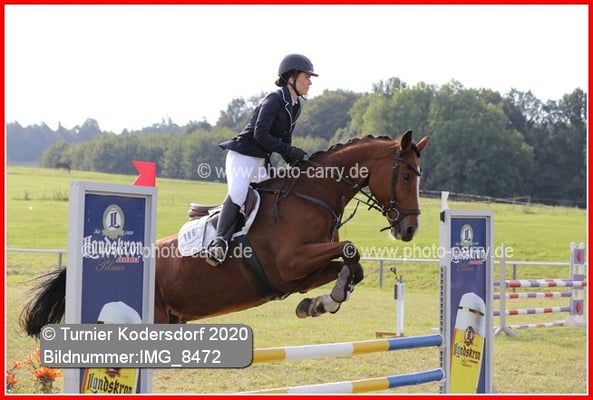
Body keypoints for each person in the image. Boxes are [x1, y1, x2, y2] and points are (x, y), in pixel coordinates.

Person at [205, 54, 318, 266]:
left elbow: (284, 140)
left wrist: (295, 160)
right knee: (239, 192)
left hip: (259, 161)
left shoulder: (295, 106)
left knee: (271, 198)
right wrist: (288, 150)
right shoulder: (274, 99)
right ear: (291, 77)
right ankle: (219, 242)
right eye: (306, 77)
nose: (310, 82)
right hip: (242, 155)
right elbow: (260, 135)